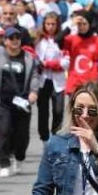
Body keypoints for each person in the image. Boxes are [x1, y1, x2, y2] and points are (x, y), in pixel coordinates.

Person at [0, 26, 43, 178]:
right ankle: (4, 163)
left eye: (17, 38)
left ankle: (19, 158)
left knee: (21, 136)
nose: (15, 41)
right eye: (11, 38)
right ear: (5, 41)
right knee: (2, 132)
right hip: (0, 101)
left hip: (22, 102)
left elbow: (34, 76)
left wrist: (33, 92)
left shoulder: (28, 58)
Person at [34, 12, 68, 142]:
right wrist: (42, 64)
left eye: (53, 24)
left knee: (58, 111)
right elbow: (36, 59)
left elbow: (66, 62)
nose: (50, 27)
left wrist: (49, 64)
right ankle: (44, 138)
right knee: (43, 111)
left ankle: (56, 137)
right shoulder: (39, 40)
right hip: (42, 80)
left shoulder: (63, 40)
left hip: (58, 81)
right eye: (48, 24)